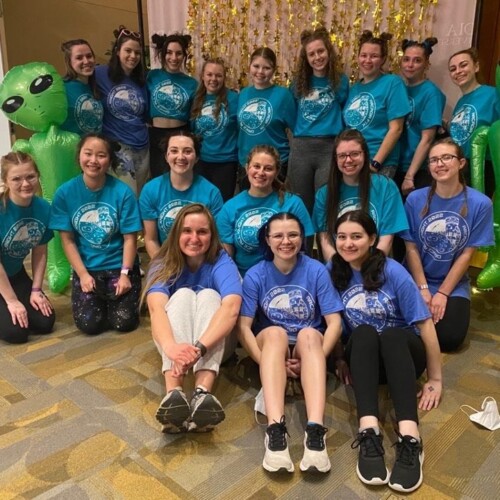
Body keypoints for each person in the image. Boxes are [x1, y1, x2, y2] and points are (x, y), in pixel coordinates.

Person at [329, 209, 442, 493]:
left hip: (402, 356)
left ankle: (410, 438)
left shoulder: (392, 270)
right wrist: (341, 358)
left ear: (372, 239)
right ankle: (369, 432)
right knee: (365, 332)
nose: (348, 244)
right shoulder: (333, 271)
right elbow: (331, 322)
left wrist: (436, 379)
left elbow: (425, 325)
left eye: (356, 236)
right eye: (342, 237)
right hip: (365, 360)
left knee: (391, 335)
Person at [238, 212, 343, 473]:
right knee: (275, 333)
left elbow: (335, 323)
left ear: (302, 238)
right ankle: (275, 430)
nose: (286, 241)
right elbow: (243, 328)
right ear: (268, 239)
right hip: (274, 346)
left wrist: (316, 357)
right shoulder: (255, 275)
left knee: (309, 334)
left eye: (293, 234)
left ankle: (315, 431)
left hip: (308, 343)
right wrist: (268, 363)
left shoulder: (317, 270)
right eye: (278, 236)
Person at [144, 203, 242, 433]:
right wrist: (172, 348)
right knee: (183, 295)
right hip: (173, 346)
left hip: (214, 345)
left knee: (209, 296)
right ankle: (174, 394)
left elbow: (231, 308)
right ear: (177, 233)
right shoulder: (162, 261)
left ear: (212, 235)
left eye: (202, 231)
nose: (194, 238)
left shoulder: (221, 260)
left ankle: (201, 393)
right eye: (187, 231)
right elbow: (156, 309)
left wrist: (198, 349)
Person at [402, 138, 494, 352]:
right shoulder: (414, 199)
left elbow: (466, 255)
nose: (439, 164)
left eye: (446, 158)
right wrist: (423, 289)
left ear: (461, 163)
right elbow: (411, 249)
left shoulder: (481, 204)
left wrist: (442, 293)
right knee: (401, 327)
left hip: (452, 283)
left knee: (450, 338)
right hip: (416, 278)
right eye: (434, 160)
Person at [49, 133, 142, 335]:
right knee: (89, 325)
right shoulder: (65, 193)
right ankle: (104, 300)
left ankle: (117, 298)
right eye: (88, 154)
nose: (93, 160)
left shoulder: (122, 192)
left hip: (120, 267)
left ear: (109, 160)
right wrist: (82, 274)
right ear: (79, 156)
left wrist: (125, 274)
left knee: (123, 323)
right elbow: (68, 240)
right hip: (88, 268)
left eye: (101, 155)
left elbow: (129, 239)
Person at [217, 144, 314, 276]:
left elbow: (305, 248)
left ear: (276, 172)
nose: (261, 172)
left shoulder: (293, 203)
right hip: (244, 277)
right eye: (256, 166)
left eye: (268, 168)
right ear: (247, 168)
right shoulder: (230, 207)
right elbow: (226, 257)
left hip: (288, 276)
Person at [313, 129, 408, 260]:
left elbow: (386, 239)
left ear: (365, 155)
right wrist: (339, 269)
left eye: (355, 154)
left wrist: (369, 269)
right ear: (335, 159)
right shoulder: (325, 193)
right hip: (339, 267)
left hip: (375, 264)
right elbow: (325, 240)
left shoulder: (386, 186)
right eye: (342, 156)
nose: (348, 160)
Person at [288, 27, 349, 214]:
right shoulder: (298, 82)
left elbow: (346, 115)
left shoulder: (341, 81)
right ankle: (304, 243)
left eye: (320, 51)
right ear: (306, 58)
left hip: (329, 147)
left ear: (328, 51)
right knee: (300, 204)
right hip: (302, 148)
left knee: (325, 203)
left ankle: (324, 244)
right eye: (311, 54)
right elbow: (291, 116)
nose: (317, 57)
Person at [139, 131, 223, 259]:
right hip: (165, 261)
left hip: (200, 260)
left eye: (187, 151)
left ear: (197, 158)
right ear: (166, 157)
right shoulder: (150, 190)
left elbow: (215, 241)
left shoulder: (212, 193)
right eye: (174, 151)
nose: (180, 157)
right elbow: (151, 240)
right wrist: (163, 271)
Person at [0, 152, 55, 344]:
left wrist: (36, 289)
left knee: (45, 322)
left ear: (37, 175)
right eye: (16, 179)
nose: (25, 184)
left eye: (30, 176)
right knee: (15, 333)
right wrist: (12, 301)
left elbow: (40, 251)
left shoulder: (43, 208)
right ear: (5, 181)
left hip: (15, 274)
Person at [343, 30, 410, 178]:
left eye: (374, 56)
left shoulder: (392, 83)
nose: (367, 60)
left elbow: (396, 129)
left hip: (379, 162)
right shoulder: (354, 89)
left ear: (383, 59)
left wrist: (375, 163)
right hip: (353, 162)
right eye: (363, 55)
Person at [95, 25, 149, 195]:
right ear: (117, 51)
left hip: (142, 146)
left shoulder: (142, 81)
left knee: (140, 195)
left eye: (137, 53)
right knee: (126, 195)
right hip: (118, 146)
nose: (133, 56)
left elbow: (145, 114)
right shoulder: (100, 74)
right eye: (128, 51)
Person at [237, 47, 296, 181]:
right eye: (256, 66)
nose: (260, 72)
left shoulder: (283, 95)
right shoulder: (243, 94)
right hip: (247, 163)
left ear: (274, 70)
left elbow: (296, 130)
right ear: (249, 66)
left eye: (266, 68)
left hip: (275, 164)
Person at [448, 48, 499, 197]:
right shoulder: (460, 102)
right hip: (460, 167)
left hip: (484, 166)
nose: (458, 71)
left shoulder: (492, 94)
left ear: (476, 67)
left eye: (463, 65)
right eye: (453, 69)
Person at [397, 38, 445, 195]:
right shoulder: (398, 87)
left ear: (426, 64)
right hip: (395, 163)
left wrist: (410, 176)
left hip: (417, 169)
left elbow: (428, 138)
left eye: (417, 60)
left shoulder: (431, 93)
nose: (410, 65)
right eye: (406, 59)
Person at [147, 33, 197, 178]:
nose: (173, 58)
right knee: (157, 178)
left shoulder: (192, 83)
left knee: (180, 176)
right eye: (169, 53)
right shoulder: (152, 76)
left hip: (181, 133)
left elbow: (194, 115)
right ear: (163, 54)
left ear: (184, 56)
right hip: (155, 134)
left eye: (178, 53)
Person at [191, 57, 239, 201]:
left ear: (224, 78)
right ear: (202, 76)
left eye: (218, 75)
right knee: (202, 204)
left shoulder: (234, 99)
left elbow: (241, 129)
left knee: (221, 205)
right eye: (209, 74)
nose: (213, 79)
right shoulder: (196, 99)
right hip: (201, 161)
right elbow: (193, 131)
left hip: (226, 162)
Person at [60, 39, 103, 135]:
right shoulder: (61, 88)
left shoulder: (96, 85)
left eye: (89, 56)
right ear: (69, 62)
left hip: (96, 147)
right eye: (79, 58)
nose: (86, 61)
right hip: (73, 149)